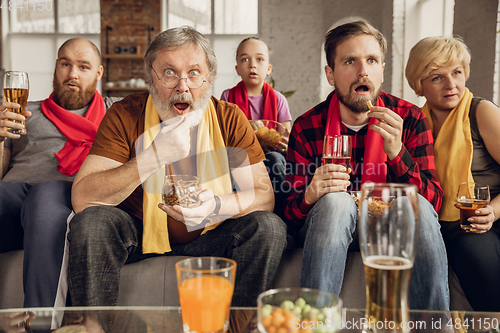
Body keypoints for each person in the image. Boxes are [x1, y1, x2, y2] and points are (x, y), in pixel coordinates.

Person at [67, 26, 287, 307]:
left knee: (268, 227)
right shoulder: (125, 114)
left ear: (209, 79)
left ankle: (238, 327)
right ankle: (91, 327)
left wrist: (217, 206)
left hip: (211, 235)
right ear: (151, 78)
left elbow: (263, 195)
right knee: (92, 222)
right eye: (169, 72)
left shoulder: (229, 118)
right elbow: (83, 197)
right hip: (138, 231)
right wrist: (153, 156)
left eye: (194, 73)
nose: (183, 86)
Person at [283, 21, 449, 310]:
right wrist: (310, 194)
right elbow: (286, 216)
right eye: (350, 61)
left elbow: (433, 202)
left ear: (382, 70)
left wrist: (397, 153)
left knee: (418, 205)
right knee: (336, 202)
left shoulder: (408, 119)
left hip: (390, 225)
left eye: (372, 60)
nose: (363, 71)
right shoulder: (308, 126)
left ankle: (435, 330)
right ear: (330, 74)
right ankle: (315, 323)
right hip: (331, 225)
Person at [0, 37, 119, 307]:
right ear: (56, 67)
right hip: (14, 198)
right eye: (65, 64)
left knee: (45, 192)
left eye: (83, 67)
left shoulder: (115, 114)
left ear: (99, 73)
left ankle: (41, 322)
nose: (72, 74)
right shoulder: (21, 112)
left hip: (63, 199)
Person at [406, 36, 500, 311]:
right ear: (419, 85)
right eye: (437, 77)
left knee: (473, 251)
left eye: (457, 73)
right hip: (444, 222)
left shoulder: (481, 111)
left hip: (489, 217)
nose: (451, 85)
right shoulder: (413, 123)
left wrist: (492, 212)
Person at [220, 37, 292, 201]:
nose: (252, 64)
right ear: (237, 68)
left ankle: (282, 206)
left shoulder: (279, 99)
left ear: (268, 68)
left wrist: (283, 142)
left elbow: (288, 139)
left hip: (272, 157)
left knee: (274, 159)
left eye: (259, 59)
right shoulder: (227, 96)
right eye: (245, 59)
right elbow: (222, 135)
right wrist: (245, 126)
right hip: (240, 158)